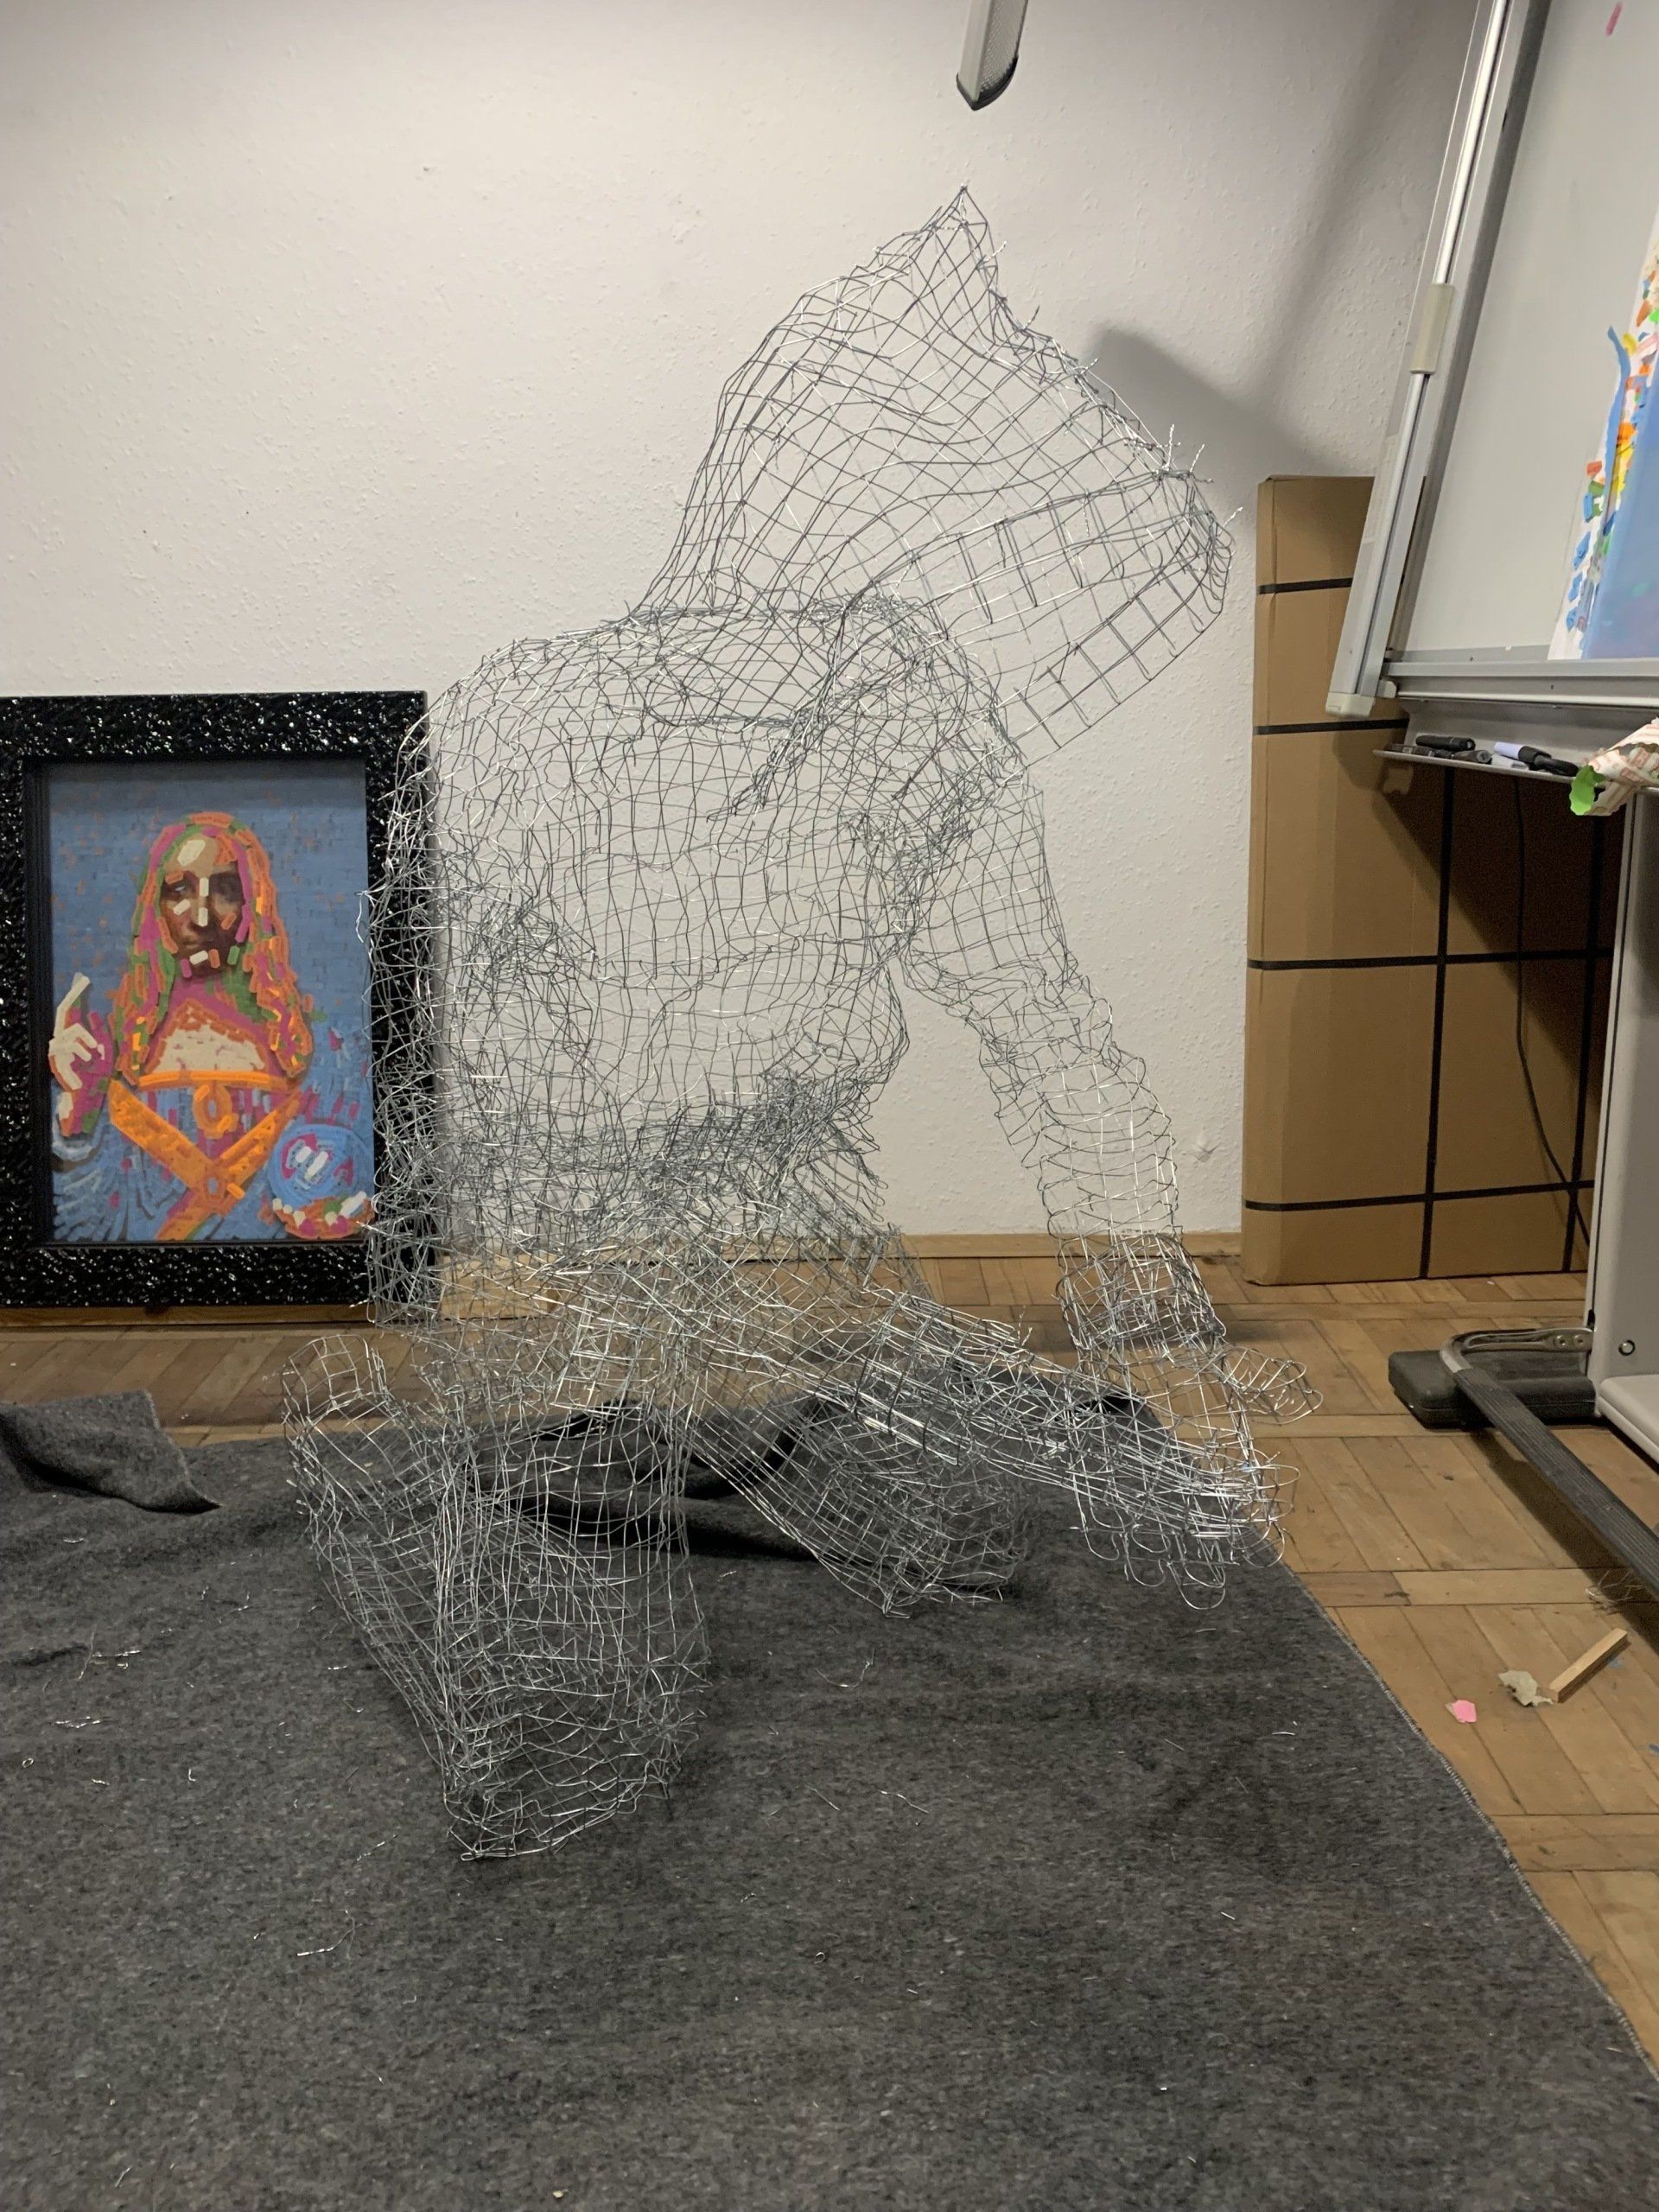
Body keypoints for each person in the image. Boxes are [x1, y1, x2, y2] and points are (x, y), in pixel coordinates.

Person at [290, 199, 1313, 1855]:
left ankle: (740, 1436)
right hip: (568, 1236)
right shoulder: (525, 722)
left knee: (986, 1533)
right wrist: (445, 1280)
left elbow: (1049, 1034)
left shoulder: (913, 723)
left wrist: (1155, 1316)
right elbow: (411, 1051)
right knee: (569, 1729)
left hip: (804, 1218)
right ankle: (407, 1483)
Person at [49, 810, 372, 1243]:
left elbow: (360, 1183)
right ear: (155, 912)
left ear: (254, 907)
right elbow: (81, 1232)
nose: (201, 916)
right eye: (179, 890)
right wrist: (77, 1115)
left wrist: (347, 1222)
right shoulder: (112, 1058)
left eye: (225, 890)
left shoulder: (329, 1056)